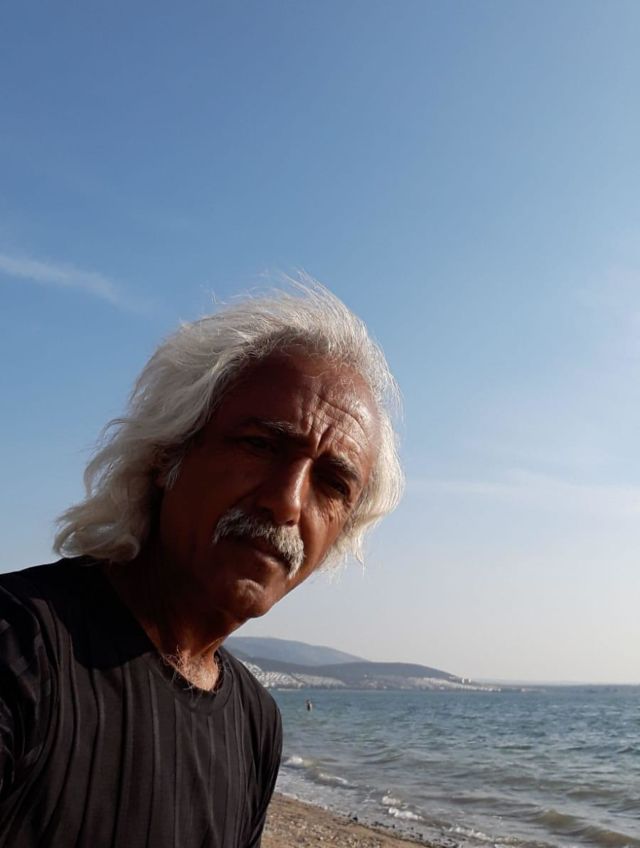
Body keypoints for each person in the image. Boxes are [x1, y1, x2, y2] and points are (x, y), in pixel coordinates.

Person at [0, 282, 403, 847]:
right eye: (260, 445)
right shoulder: (19, 648)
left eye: (332, 483)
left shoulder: (256, 726)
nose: (288, 503)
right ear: (166, 453)